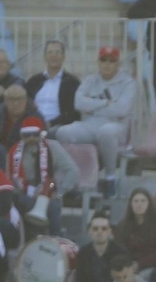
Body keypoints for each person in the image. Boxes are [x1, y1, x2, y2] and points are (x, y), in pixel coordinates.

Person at [58, 46, 135, 197]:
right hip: (89, 124)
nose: (107, 64)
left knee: (106, 132)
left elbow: (122, 110)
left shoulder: (128, 83)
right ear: (98, 62)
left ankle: (110, 178)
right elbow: (78, 104)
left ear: (117, 64)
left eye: (111, 61)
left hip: (117, 126)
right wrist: (105, 103)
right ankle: (73, 177)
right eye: (103, 60)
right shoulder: (90, 80)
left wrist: (91, 106)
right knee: (63, 132)